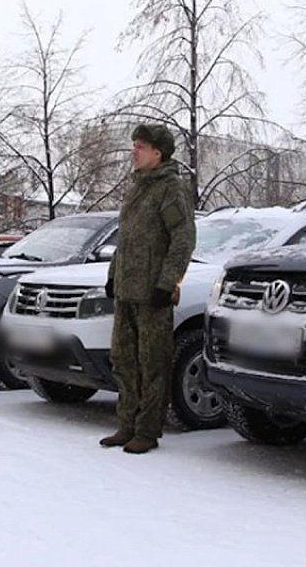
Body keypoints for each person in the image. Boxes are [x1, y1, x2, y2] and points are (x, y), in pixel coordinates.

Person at [100, 124, 195, 454]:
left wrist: (167, 283)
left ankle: (147, 430)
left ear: (158, 153)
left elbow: (182, 239)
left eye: (140, 146)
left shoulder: (171, 188)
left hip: (152, 293)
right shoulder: (137, 187)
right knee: (123, 360)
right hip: (128, 290)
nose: (133, 151)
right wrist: (114, 275)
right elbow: (125, 239)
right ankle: (126, 425)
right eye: (134, 146)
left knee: (152, 362)